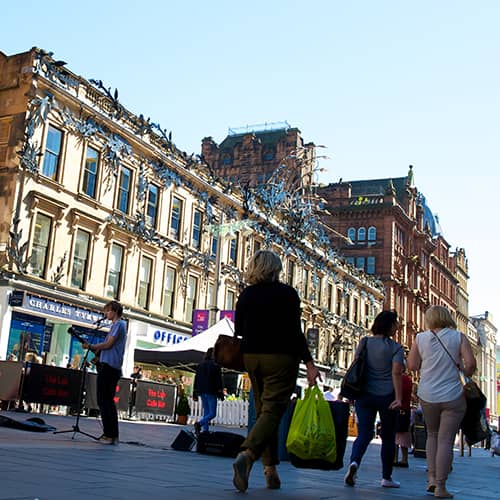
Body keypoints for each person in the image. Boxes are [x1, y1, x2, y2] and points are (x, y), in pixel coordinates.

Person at [232, 250, 320, 492]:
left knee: (264, 413)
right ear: (275, 269)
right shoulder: (287, 294)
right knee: (273, 411)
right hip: (281, 358)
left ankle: (270, 471)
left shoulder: (246, 294)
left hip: (251, 357)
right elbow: (295, 331)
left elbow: (239, 328)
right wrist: (309, 363)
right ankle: (247, 455)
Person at [408, 305, 476, 499]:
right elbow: (470, 364)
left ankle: (430, 478)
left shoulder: (420, 338)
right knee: (446, 439)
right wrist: (463, 371)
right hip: (453, 394)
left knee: (432, 435)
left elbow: (412, 365)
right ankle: (441, 486)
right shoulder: (458, 337)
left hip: (427, 393)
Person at [344, 310, 403, 489]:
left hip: (364, 394)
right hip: (387, 397)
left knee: (364, 434)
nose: (397, 327)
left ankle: (354, 463)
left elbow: (356, 365)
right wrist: (399, 398)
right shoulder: (396, 348)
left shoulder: (365, 342)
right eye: (396, 323)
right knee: (388, 437)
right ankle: (386, 477)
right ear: (390, 325)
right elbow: (396, 373)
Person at [83, 300, 127, 445]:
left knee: (105, 400)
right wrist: (98, 357)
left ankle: (110, 434)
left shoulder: (119, 324)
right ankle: (111, 434)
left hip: (110, 367)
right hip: (109, 365)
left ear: (114, 311)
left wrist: (92, 346)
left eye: (107, 311)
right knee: (106, 400)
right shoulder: (117, 326)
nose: (105, 313)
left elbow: (109, 345)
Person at [193, 348, 224, 434]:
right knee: (212, 413)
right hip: (212, 391)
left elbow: (196, 379)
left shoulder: (200, 365)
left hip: (202, 391)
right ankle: (199, 424)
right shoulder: (216, 365)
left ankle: (205, 430)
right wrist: (220, 392)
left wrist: (195, 392)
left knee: (206, 412)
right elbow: (218, 380)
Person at [394, 367, 413, 467]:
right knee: (403, 436)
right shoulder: (408, 380)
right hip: (405, 410)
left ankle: (396, 458)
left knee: (397, 435)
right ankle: (403, 459)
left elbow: (398, 394)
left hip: (399, 409)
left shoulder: (401, 379)